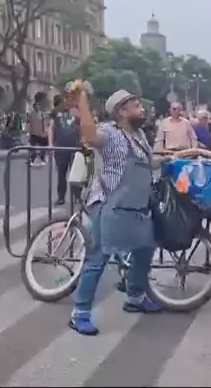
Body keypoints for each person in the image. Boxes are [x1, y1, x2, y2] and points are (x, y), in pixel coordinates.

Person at [69, 86, 164, 336]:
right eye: (137, 106)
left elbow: (148, 163)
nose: (142, 110)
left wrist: (170, 160)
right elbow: (89, 136)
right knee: (98, 256)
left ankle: (135, 296)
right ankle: (80, 313)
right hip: (108, 204)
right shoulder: (110, 134)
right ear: (122, 111)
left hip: (136, 206)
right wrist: (82, 102)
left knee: (145, 248)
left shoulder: (140, 135)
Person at [48, 93, 81, 206]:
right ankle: (61, 197)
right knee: (61, 173)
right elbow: (51, 128)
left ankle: (77, 196)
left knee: (76, 174)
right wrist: (50, 144)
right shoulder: (56, 112)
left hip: (75, 147)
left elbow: (82, 127)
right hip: (60, 147)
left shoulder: (77, 112)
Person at [27, 92, 48, 167]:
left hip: (41, 134)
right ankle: (31, 160)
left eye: (38, 106)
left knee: (43, 148)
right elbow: (28, 123)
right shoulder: (31, 114)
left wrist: (45, 131)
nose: (37, 107)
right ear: (33, 107)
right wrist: (28, 131)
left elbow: (44, 123)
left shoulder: (41, 114)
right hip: (33, 134)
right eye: (36, 106)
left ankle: (42, 159)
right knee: (32, 148)